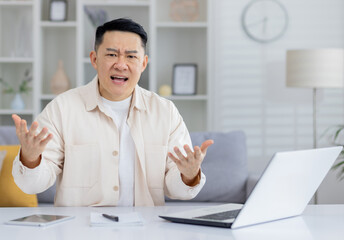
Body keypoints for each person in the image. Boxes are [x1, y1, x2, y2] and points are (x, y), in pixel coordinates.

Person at [12, 18, 213, 207]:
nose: (121, 64)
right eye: (111, 54)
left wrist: (189, 174)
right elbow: (32, 186)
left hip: (146, 229)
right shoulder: (62, 108)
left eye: (131, 56)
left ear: (143, 63)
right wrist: (30, 159)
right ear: (94, 59)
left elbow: (177, 190)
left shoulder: (165, 112)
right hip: (79, 230)